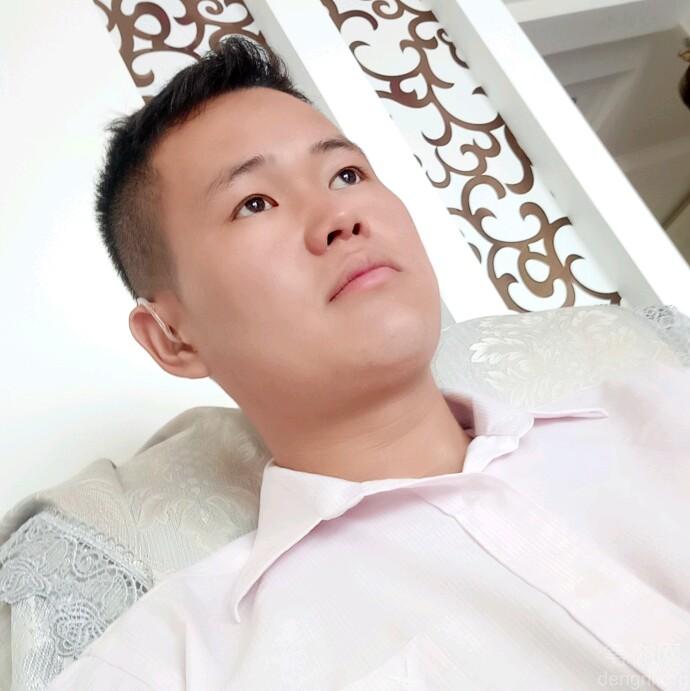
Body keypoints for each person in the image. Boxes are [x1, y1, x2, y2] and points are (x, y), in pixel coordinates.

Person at [47, 35, 690, 690]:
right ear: (172, 338)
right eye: (254, 203)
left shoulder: (664, 408)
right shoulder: (175, 661)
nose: (339, 216)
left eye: (347, 175)